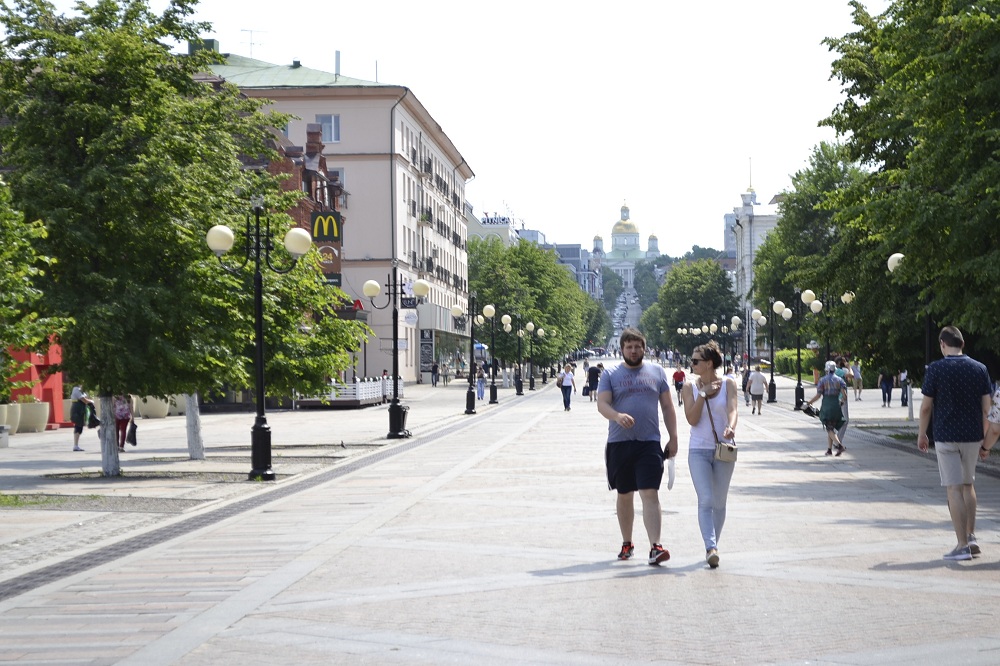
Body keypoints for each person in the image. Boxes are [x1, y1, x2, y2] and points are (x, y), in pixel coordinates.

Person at [597, 328, 678, 566]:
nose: (633, 351)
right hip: (619, 443)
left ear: (644, 348)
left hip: (649, 442)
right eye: (629, 347)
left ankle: (655, 546)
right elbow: (602, 404)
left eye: (638, 346)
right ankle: (627, 542)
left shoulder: (657, 371)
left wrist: (673, 438)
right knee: (625, 494)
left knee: (650, 491)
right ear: (622, 349)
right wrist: (616, 415)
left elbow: (667, 407)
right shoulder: (611, 373)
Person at [918, 326, 992, 561]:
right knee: (968, 484)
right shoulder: (980, 369)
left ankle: (961, 546)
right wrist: (984, 438)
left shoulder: (936, 369)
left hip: (946, 435)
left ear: (942, 343)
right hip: (973, 436)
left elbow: (927, 406)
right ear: (962, 344)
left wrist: (922, 433)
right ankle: (971, 536)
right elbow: (987, 409)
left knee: (953, 488)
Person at [681, 340, 738, 569]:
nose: (691, 364)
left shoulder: (728, 384)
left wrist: (731, 426)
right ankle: (710, 547)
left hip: (724, 449)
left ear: (709, 363)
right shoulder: (689, 387)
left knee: (719, 502)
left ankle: (714, 544)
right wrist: (702, 395)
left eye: (696, 360)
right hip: (698, 450)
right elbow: (692, 420)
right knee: (705, 499)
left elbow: (733, 410)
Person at [806, 360, 849, 456]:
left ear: (827, 369)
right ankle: (829, 450)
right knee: (832, 428)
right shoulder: (840, 380)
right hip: (836, 406)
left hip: (827, 406)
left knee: (829, 429)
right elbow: (844, 396)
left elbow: (818, 395)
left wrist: (809, 403)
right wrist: (841, 402)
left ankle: (839, 446)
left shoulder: (822, 380)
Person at [69, 384, 94, 452]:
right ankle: (75, 445)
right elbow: (84, 400)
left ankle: (76, 445)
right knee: (78, 426)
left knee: (80, 426)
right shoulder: (76, 389)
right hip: (77, 409)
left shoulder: (81, 390)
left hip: (81, 409)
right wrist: (91, 401)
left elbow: (85, 398)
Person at [835, 357, 854, 444]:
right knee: (845, 420)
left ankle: (837, 440)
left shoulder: (834, 371)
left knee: (840, 420)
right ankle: (837, 440)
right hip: (841, 398)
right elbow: (852, 376)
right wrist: (849, 367)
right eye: (844, 361)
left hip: (835, 398)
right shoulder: (840, 371)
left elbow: (849, 379)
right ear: (840, 362)